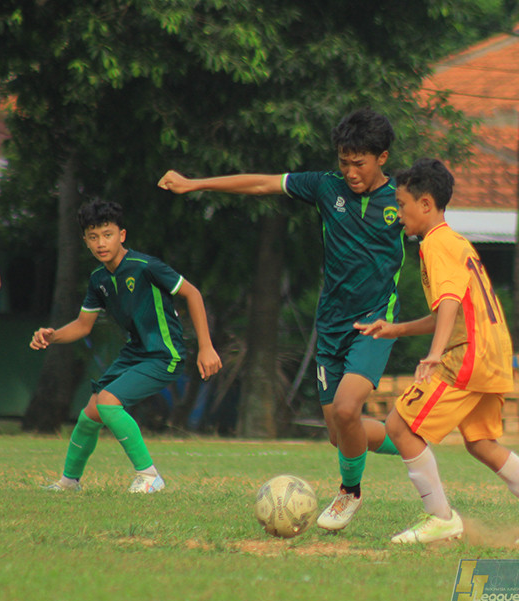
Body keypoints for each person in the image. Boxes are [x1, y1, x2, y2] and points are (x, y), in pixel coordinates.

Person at [157, 108, 403, 531]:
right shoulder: (327, 188)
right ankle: (407, 439)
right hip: (330, 326)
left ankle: (349, 494)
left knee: (347, 410)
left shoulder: (401, 198)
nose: (349, 171)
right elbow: (261, 182)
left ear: (382, 157)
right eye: (343, 162)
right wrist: (196, 183)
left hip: (375, 323)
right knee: (339, 432)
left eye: (358, 163)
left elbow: (437, 239)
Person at [356, 158, 519, 546]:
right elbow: (450, 309)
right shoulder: (456, 241)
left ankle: (440, 518)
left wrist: (436, 354)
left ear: (426, 205)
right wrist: (398, 329)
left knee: (399, 426)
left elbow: (451, 301)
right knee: (482, 444)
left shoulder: (436, 244)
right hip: (492, 351)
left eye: (403, 205)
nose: (398, 214)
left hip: (468, 354)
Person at [31, 199, 222, 493]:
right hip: (135, 354)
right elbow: (83, 326)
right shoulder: (98, 280)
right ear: (85, 241)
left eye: (107, 234)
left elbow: (193, 294)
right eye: (93, 237)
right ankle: (69, 482)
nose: (100, 243)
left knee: (108, 401)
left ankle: (149, 477)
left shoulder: (146, 267)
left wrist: (206, 347)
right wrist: (51, 335)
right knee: (91, 411)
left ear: (122, 235)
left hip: (163, 354)